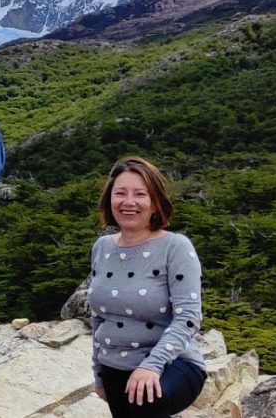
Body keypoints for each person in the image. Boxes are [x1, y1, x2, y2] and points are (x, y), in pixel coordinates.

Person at [86, 156, 207, 418]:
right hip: (114, 366)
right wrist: (98, 375)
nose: (128, 202)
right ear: (110, 199)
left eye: (140, 194)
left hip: (172, 362)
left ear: (155, 203)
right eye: (120, 193)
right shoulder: (102, 247)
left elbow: (188, 317)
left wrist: (151, 365)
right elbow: (99, 318)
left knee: (147, 399)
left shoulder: (175, 247)